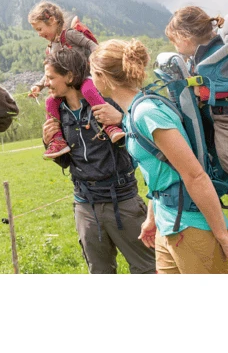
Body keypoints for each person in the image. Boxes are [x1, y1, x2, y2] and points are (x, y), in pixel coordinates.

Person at [89, 38, 228, 274]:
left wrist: (223, 237)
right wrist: (151, 218)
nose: (91, 80)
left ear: (103, 76)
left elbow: (195, 175)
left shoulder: (148, 114)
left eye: (92, 73)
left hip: (191, 226)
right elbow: (162, 171)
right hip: (167, 225)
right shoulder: (132, 113)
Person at [41, 48, 155, 274]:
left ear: (69, 76)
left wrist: (121, 121)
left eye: (51, 77)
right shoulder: (57, 112)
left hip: (122, 201)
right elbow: (65, 162)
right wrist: (48, 142)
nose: (46, 83)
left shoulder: (106, 101)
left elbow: (140, 143)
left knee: (147, 269)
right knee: (99, 272)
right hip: (85, 205)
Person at [165, 6, 228, 217]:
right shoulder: (200, 57)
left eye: (175, 41)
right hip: (214, 113)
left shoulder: (219, 54)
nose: (175, 46)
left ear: (185, 37)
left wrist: (198, 88)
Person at [28, 0, 124, 160]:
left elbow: (91, 45)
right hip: (67, 82)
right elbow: (51, 71)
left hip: (84, 76)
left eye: (40, 28)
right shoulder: (51, 48)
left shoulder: (70, 35)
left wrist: (98, 61)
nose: (39, 33)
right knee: (50, 101)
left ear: (52, 21)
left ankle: (109, 126)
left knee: (88, 90)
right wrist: (39, 86)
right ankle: (57, 139)